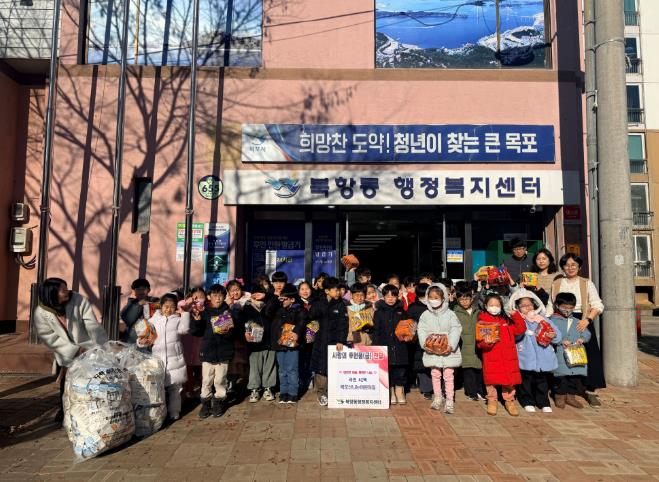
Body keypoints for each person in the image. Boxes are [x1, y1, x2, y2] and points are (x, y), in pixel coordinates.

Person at [34, 278, 108, 422]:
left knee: (90, 382)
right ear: (52, 294)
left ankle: (92, 413)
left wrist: (102, 345)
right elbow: (49, 337)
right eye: (63, 290)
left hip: (87, 348)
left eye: (66, 287)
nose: (67, 291)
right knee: (67, 384)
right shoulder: (41, 313)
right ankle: (65, 411)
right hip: (66, 354)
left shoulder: (78, 300)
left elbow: (92, 324)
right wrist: (74, 350)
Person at [548, 253, 605, 406]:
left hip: (581, 320)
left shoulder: (586, 283)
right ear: (562, 267)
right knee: (561, 354)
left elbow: (597, 304)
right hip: (560, 319)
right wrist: (548, 322)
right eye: (567, 265)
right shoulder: (557, 283)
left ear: (579, 267)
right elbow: (551, 304)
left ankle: (590, 391)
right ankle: (561, 391)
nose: (570, 267)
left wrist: (587, 320)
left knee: (590, 355)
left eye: (574, 265)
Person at [507, 289, 561, 414]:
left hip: (542, 358)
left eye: (530, 304)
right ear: (517, 307)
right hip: (525, 357)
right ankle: (527, 401)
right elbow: (514, 336)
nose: (527, 307)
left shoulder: (543, 319)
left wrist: (553, 335)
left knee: (542, 382)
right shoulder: (517, 320)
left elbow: (557, 335)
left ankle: (543, 402)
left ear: (535, 304)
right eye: (523, 306)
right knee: (526, 381)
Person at [477, 293, 526, 417]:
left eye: (497, 305)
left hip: (508, 357)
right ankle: (492, 400)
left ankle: (509, 401)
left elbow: (520, 329)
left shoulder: (506, 320)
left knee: (509, 380)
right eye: (491, 305)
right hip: (491, 356)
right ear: (486, 306)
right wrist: (487, 343)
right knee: (491, 381)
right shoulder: (483, 321)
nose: (494, 307)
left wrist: (515, 315)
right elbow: (480, 344)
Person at [190, 284, 235, 419]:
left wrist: (227, 332)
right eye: (215, 296)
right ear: (209, 297)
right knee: (206, 380)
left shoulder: (228, 312)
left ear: (224, 297)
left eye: (221, 296)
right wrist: (197, 320)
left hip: (223, 352)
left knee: (220, 380)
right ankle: (206, 403)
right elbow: (197, 332)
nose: (218, 298)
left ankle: (219, 402)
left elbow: (234, 333)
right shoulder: (204, 313)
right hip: (207, 352)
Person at [417, 284, 462, 414]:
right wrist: (425, 344)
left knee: (448, 375)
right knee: (435, 374)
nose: (433, 300)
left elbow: (456, 329)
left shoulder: (451, 314)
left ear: (443, 298)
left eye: (436, 297)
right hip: (432, 350)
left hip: (448, 351)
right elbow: (421, 330)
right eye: (430, 297)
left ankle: (449, 400)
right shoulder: (425, 315)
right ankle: (438, 397)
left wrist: (451, 345)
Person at [149, 293, 191, 420]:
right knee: (159, 388)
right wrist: (141, 341)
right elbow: (145, 337)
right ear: (161, 306)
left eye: (172, 306)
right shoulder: (153, 320)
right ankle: (160, 414)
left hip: (175, 359)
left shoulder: (177, 319)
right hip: (158, 359)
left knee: (176, 388)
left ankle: (174, 412)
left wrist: (185, 314)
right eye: (166, 306)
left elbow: (184, 330)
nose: (169, 309)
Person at [309, 277, 349, 406]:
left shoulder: (341, 304)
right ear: (327, 291)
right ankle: (321, 393)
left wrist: (340, 340)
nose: (339, 292)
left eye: (340, 290)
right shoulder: (318, 302)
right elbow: (311, 317)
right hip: (319, 340)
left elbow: (343, 324)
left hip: (334, 341)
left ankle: (330, 392)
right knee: (320, 367)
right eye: (335, 290)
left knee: (332, 367)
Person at [549, 292, 592, 409]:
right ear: (557, 305)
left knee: (574, 377)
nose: (567, 310)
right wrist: (560, 341)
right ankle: (559, 396)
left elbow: (587, 333)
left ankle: (570, 397)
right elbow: (548, 335)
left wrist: (582, 338)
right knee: (561, 377)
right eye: (564, 307)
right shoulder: (551, 321)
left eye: (571, 308)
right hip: (560, 354)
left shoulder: (577, 321)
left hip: (576, 355)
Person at [270, 283, 307, 404]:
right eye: (281, 298)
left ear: (292, 299)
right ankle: (283, 393)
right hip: (279, 344)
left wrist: (297, 332)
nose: (282, 301)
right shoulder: (277, 307)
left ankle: (293, 393)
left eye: (285, 299)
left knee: (292, 369)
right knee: (282, 370)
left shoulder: (299, 309)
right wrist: (275, 297)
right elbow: (267, 312)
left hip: (292, 344)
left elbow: (302, 322)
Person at [373, 284, 409, 405]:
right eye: (388, 296)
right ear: (383, 297)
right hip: (385, 346)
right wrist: (376, 346)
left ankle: (399, 390)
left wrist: (408, 336)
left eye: (393, 296)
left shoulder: (402, 311)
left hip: (400, 346)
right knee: (387, 369)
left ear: (397, 297)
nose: (391, 299)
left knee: (400, 369)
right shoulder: (378, 312)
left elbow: (407, 328)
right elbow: (376, 331)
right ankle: (391, 391)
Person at [240, 284, 276, 403]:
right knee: (254, 368)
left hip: (269, 342)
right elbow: (240, 324)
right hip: (254, 344)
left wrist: (266, 296)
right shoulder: (246, 307)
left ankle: (268, 388)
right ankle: (254, 389)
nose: (257, 296)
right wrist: (244, 334)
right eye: (255, 294)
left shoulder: (269, 305)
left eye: (260, 294)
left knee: (269, 367)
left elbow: (275, 299)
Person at [453, 281, 485, 401]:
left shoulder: (478, 312)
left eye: (467, 299)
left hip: (477, 347)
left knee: (478, 370)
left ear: (472, 299)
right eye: (461, 299)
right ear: (457, 300)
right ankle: (471, 393)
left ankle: (480, 391)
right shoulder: (455, 313)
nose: (464, 301)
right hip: (464, 347)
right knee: (468, 371)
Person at [405, 283, 432, 399]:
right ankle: (426, 389)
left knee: (431, 363)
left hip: (433, 339)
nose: (424, 298)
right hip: (417, 341)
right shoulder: (413, 307)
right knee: (421, 364)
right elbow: (409, 324)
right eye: (422, 295)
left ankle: (431, 387)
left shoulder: (435, 306)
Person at [180, 286, 206, 399]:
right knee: (188, 370)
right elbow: (180, 305)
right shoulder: (187, 308)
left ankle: (203, 390)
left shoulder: (206, 310)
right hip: (188, 343)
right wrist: (188, 303)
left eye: (201, 297)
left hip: (202, 344)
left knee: (203, 370)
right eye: (195, 297)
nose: (198, 300)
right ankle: (189, 390)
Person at [119, 278, 159, 343]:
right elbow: (128, 319)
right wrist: (139, 305)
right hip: (133, 340)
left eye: (144, 289)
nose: (141, 291)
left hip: (152, 339)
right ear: (134, 291)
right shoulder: (130, 304)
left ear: (149, 290)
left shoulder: (156, 302)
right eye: (138, 289)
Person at [297, 281, 315, 391]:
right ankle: (301, 379)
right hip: (299, 336)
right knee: (300, 359)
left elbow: (316, 319)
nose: (305, 291)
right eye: (302, 289)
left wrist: (312, 333)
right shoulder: (296, 303)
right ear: (298, 291)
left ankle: (309, 379)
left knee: (310, 358)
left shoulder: (315, 302)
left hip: (311, 335)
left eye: (307, 288)